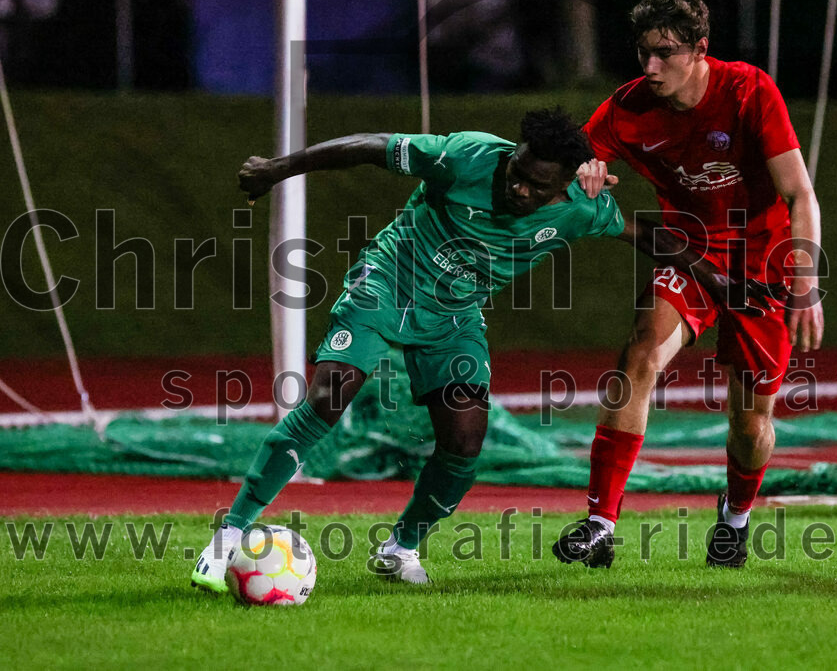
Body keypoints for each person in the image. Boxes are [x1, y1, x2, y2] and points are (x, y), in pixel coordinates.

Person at [190, 108, 774, 591]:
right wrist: (278, 169)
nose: (517, 186)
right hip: (389, 280)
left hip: (454, 315)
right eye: (518, 170)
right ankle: (229, 537)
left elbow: (649, 235)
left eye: (535, 184)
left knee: (465, 439)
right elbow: (370, 145)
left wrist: (719, 284)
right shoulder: (467, 156)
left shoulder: (580, 206)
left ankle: (401, 548)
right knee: (329, 396)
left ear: (563, 184)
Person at [554, 0, 824, 570]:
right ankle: (600, 522)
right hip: (690, 256)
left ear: (700, 48)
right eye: (643, 52)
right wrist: (585, 166)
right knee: (640, 354)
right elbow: (571, 158)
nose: (651, 66)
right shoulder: (628, 106)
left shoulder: (749, 91)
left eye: (665, 53)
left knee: (750, 425)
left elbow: (800, 193)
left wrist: (805, 286)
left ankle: (735, 518)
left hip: (762, 267)